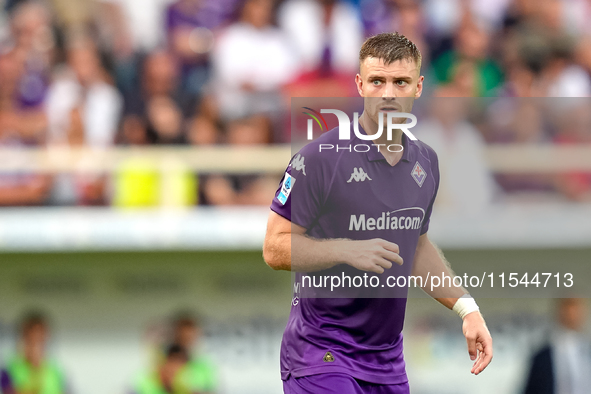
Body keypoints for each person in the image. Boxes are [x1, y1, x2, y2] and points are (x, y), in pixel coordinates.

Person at [262, 32, 493, 393]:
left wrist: (467, 309)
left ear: (418, 87)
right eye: (377, 81)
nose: (388, 93)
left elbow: (415, 247)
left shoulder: (426, 162)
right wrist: (346, 249)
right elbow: (274, 247)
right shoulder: (319, 159)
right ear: (360, 85)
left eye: (400, 82)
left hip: (386, 362)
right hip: (321, 355)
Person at [524, 298, 591, 394]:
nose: (571, 318)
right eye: (568, 314)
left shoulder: (587, 351)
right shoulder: (542, 357)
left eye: (575, 313)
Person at [0, 312, 69, 394]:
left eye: (40, 340)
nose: (35, 347)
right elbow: (8, 391)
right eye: (31, 340)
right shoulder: (9, 369)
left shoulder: (55, 371)